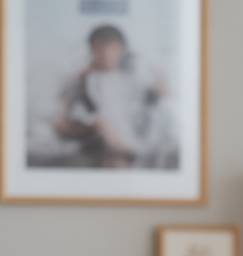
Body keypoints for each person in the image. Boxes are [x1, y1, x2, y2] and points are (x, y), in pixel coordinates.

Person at [50, 24, 177, 169]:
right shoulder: (80, 81)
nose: (106, 54)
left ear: (122, 49)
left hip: (138, 145)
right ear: (91, 50)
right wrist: (93, 128)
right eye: (99, 48)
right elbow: (60, 124)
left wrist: (158, 92)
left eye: (113, 48)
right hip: (102, 147)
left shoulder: (136, 77)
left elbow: (160, 104)